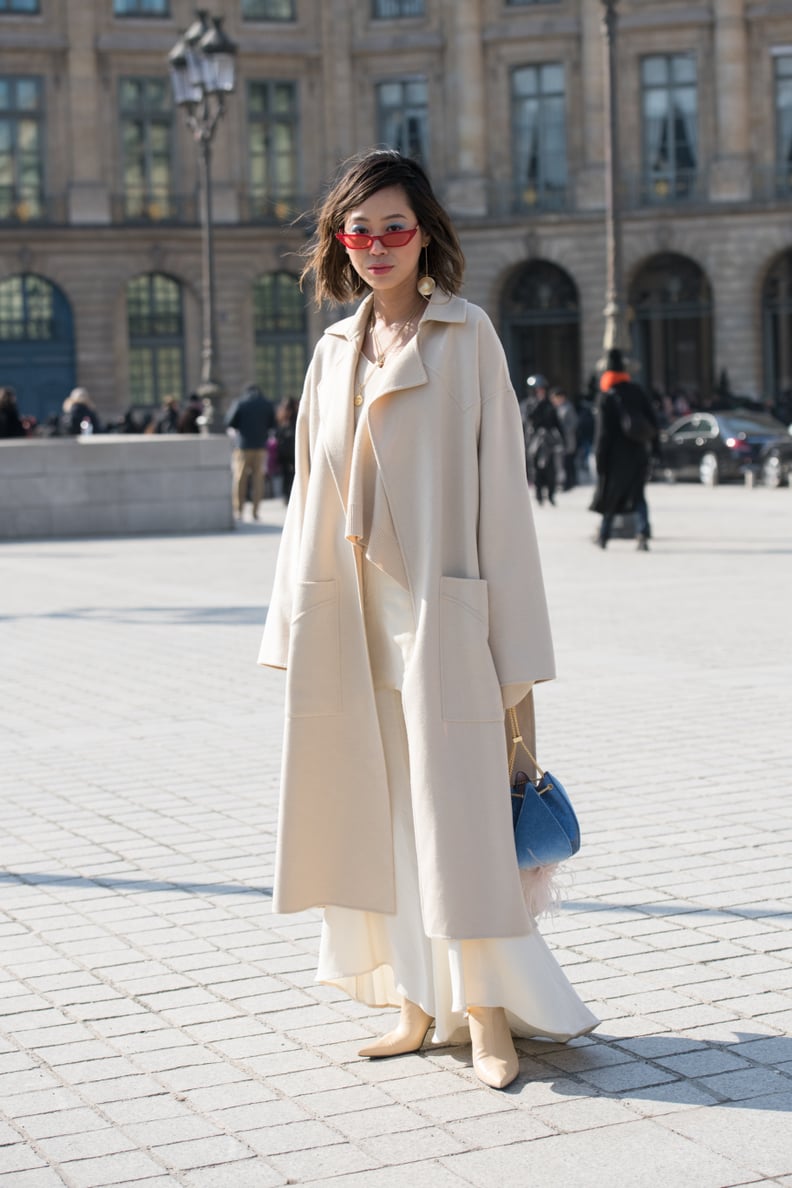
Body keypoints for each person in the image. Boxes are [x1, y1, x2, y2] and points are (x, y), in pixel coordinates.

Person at [258, 148, 597, 1091]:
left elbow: (504, 499)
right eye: (357, 230)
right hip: (351, 620)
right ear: (338, 242)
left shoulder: (467, 335)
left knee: (461, 820)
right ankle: (416, 1002)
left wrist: (514, 646)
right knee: (384, 818)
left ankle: (487, 1011)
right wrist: (290, 623)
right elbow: (306, 501)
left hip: (442, 614)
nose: (376, 245)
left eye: (394, 227)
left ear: (426, 234)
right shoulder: (331, 353)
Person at [591, 348, 659, 551]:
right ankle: (643, 534)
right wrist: (655, 451)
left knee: (610, 496)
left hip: (615, 457)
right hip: (638, 453)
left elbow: (602, 433)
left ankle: (603, 536)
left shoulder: (606, 397)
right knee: (638, 496)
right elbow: (653, 423)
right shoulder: (637, 391)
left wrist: (600, 459)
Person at [225, 383, 276, 519]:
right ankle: (255, 511)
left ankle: (239, 510)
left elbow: (230, 421)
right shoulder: (266, 404)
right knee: (258, 479)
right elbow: (272, 424)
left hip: (243, 446)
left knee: (240, 478)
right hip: (261, 446)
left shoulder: (241, 403)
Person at [527, 381, 563, 505]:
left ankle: (551, 495)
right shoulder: (530, 404)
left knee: (551, 470)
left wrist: (561, 439)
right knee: (537, 470)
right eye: (538, 390)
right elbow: (529, 419)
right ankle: (539, 496)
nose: (541, 392)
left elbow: (556, 422)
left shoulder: (550, 405)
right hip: (536, 441)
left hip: (549, 442)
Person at [550, 386, 578, 491]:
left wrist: (562, 429)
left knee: (568, 462)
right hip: (559, 440)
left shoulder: (568, 408)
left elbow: (574, 423)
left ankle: (569, 483)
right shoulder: (555, 408)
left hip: (567, 439)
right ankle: (564, 482)